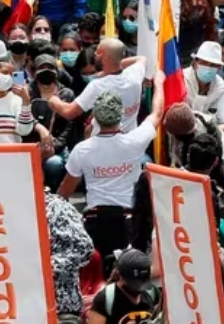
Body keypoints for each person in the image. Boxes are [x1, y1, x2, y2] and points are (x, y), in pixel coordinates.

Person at [59, 82, 163, 268]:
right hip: (130, 225)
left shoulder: (81, 150)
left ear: (94, 118)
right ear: (121, 116)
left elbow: (64, 193)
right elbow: (157, 113)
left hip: (95, 224)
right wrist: (160, 83)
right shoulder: (135, 141)